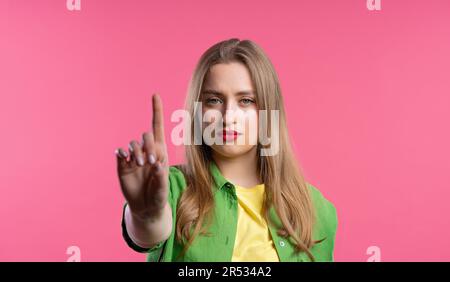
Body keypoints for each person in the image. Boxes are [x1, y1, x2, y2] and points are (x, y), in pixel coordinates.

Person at [115, 38, 337, 262]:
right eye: (213, 100)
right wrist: (148, 216)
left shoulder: (316, 208)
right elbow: (147, 234)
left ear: (269, 111)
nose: (228, 116)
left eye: (246, 100)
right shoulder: (171, 188)